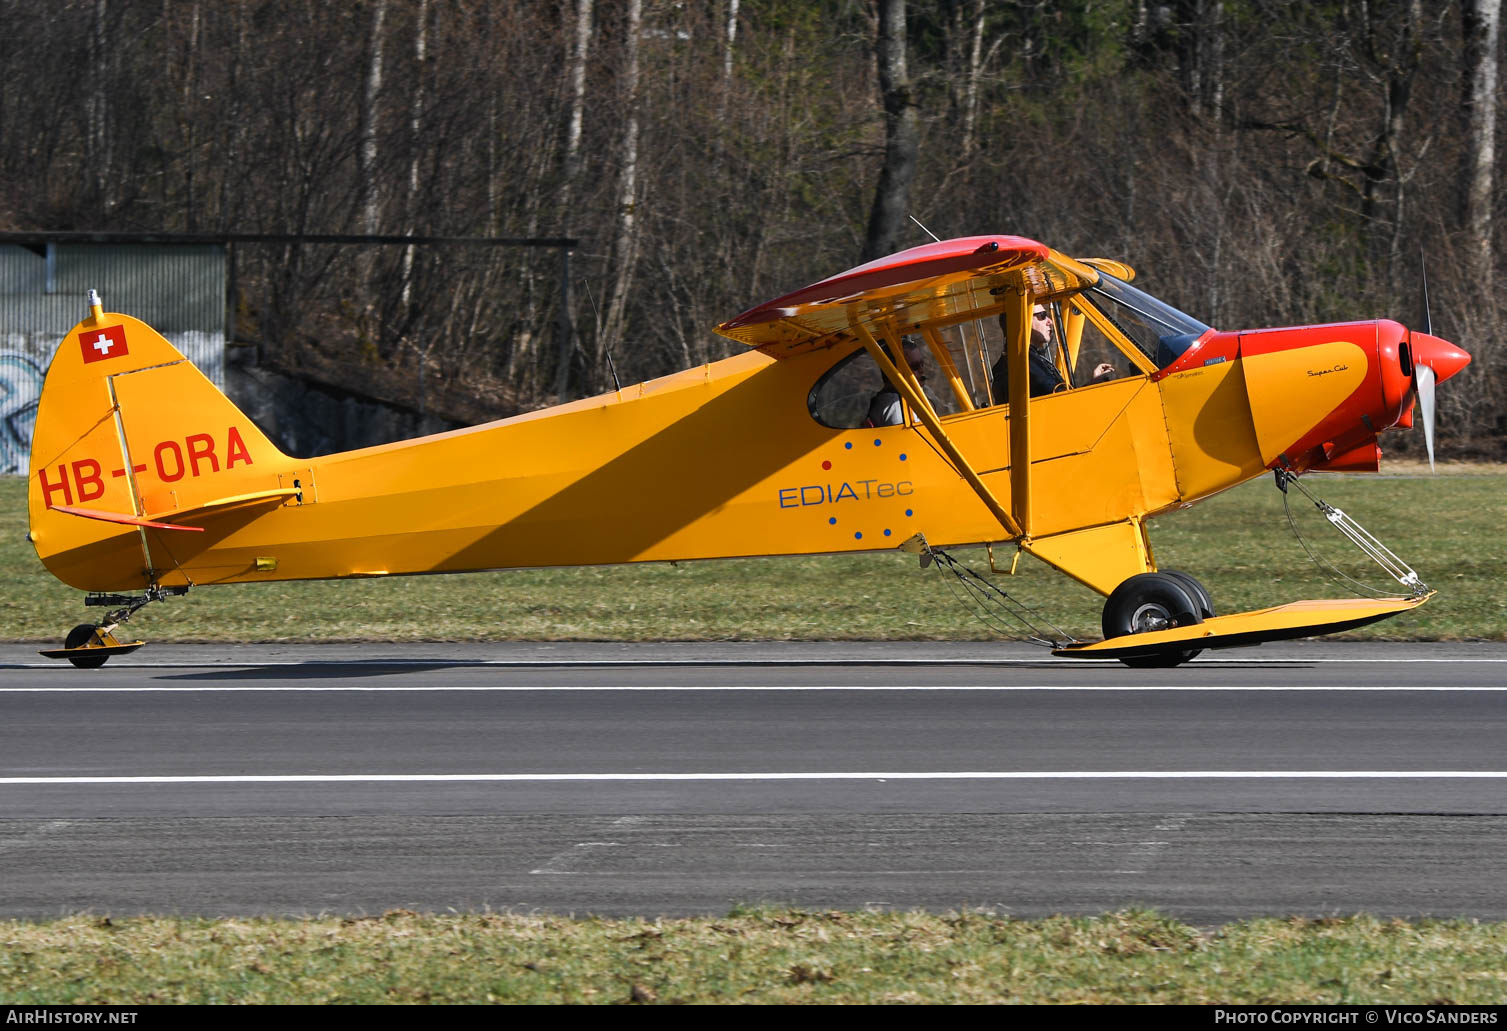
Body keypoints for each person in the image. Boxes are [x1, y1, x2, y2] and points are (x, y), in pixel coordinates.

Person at [990, 304, 1114, 403]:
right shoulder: (1021, 361)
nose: (1050, 321)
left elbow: (1060, 398)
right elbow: (1060, 399)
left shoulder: (1029, 358)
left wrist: (1091, 384)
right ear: (1021, 322)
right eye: (1042, 316)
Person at [866, 340, 929, 426]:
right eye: (915, 366)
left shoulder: (907, 400)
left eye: (922, 364)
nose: (922, 371)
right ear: (894, 372)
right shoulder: (896, 406)